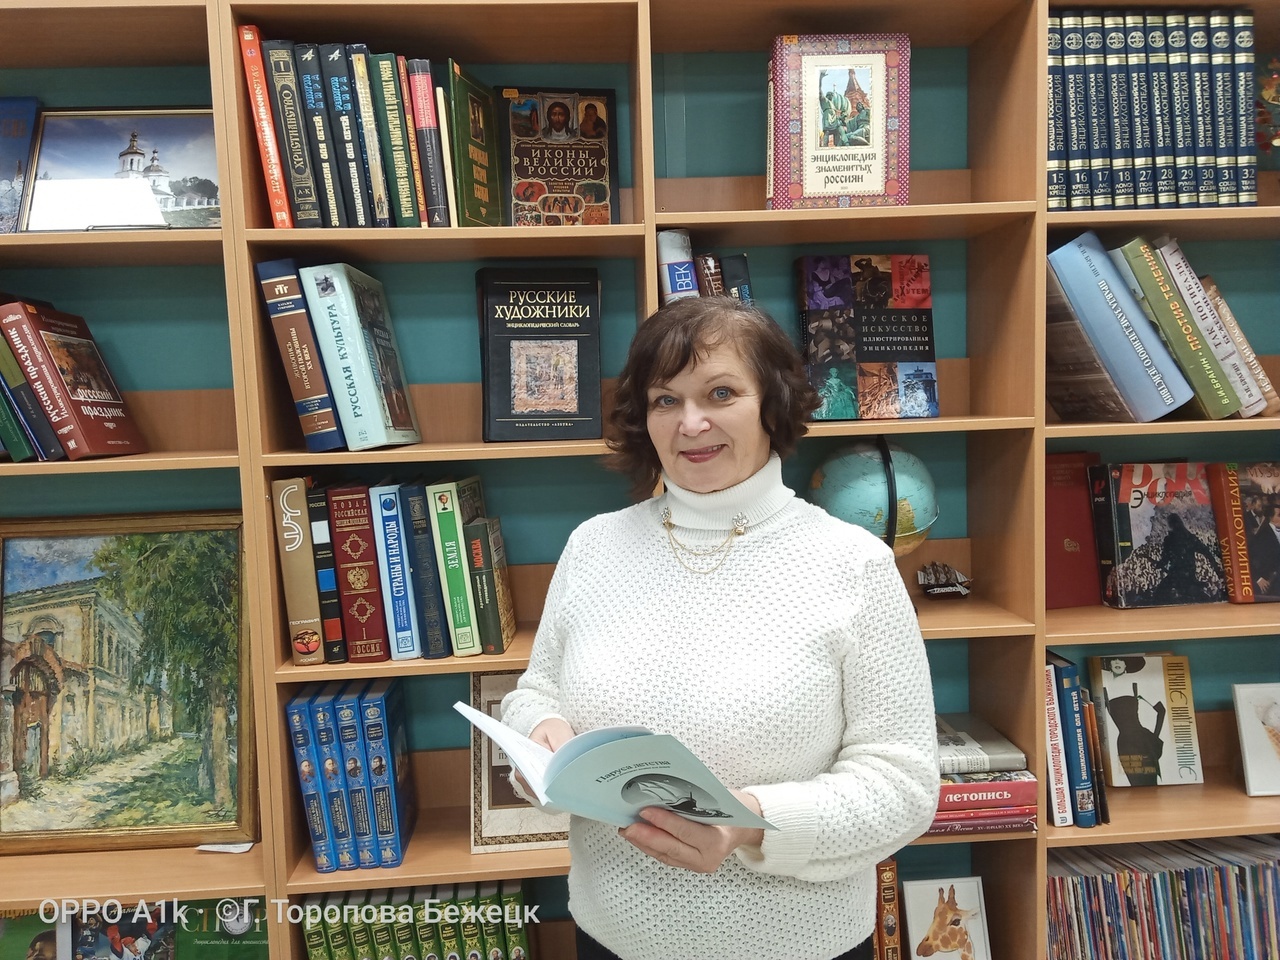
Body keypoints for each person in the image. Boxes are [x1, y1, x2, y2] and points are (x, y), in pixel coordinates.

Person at [501, 296, 939, 960]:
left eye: (721, 393)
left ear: (773, 404)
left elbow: (903, 788)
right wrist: (539, 735)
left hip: (800, 948)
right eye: (665, 400)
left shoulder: (854, 566)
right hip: (608, 937)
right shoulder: (593, 546)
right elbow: (537, 692)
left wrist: (751, 823)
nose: (691, 423)